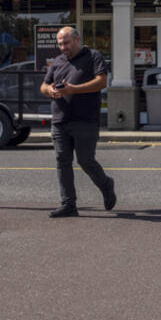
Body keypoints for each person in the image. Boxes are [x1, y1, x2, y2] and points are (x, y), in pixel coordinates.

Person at [41, 26, 118, 218]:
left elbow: (101, 82)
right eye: (60, 44)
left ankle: (106, 184)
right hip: (60, 119)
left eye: (66, 43)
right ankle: (68, 204)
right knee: (62, 161)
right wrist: (49, 91)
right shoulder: (57, 61)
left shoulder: (93, 56)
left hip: (85, 119)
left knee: (85, 160)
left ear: (77, 40)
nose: (63, 47)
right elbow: (43, 85)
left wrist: (73, 89)